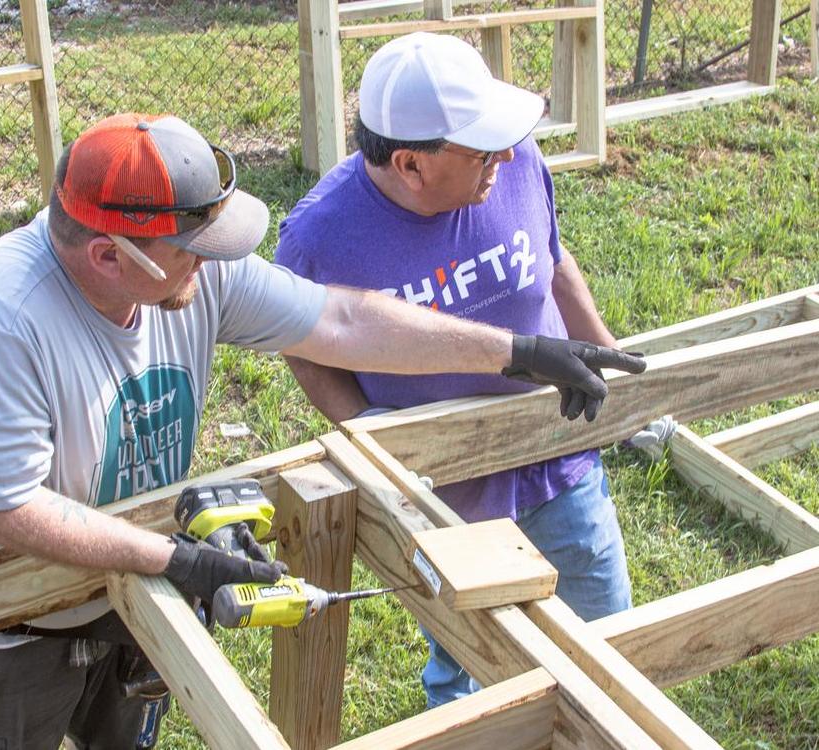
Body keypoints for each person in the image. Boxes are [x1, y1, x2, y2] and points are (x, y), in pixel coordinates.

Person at [0, 111, 644, 748]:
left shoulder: (189, 268)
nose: (214, 266)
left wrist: (518, 352)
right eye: (194, 252)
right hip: (9, 622)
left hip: (123, 586)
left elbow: (343, 320)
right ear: (106, 255)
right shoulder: (0, 319)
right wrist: (171, 558)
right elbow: (0, 505)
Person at [274, 32, 652, 709]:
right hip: (450, 488)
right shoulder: (320, 239)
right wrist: (367, 427)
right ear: (412, 166)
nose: (505, 156)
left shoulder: (518, 162)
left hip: (556, 457)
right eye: (481, 149)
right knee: (468, 653)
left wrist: (621, 379)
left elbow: (555, 260)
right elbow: (301, 345)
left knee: (605, 634)